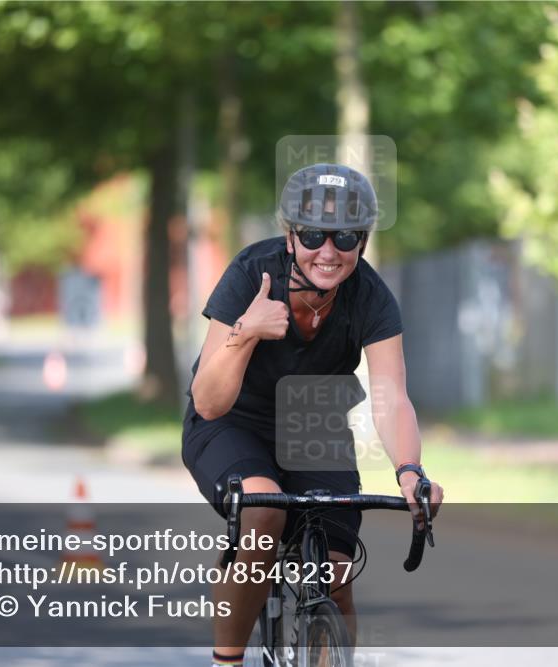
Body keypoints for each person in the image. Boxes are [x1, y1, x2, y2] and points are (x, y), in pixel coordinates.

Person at [182, 163, 444, 667]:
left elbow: (391, 393)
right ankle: (227, 662)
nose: (328, 251)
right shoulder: (250, 274)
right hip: (232, 421)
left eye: (345, 237)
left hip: (315, 424)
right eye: (312, 235)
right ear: (289, 236)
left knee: (338, 574)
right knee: (264, 511)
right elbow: (209, 400)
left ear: (362, 241)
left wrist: (409, 470)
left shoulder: (370, 296)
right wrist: (247, 330)